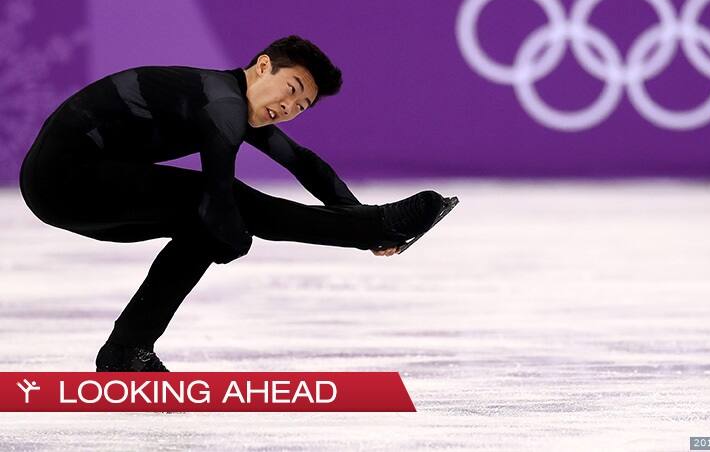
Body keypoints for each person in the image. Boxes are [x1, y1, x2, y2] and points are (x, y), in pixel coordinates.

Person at [18, 35, 449, 372]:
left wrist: (356, 215)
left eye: (301, 106)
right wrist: (368, 228)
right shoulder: (222, 100)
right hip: (66, 178)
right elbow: (220, 188)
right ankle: (372, 226)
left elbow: (303, 162)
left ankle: (127, 350)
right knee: (222, 209)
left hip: (68, 189)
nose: (289, 107)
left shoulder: (229, 99)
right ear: (262, 67)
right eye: (291, 88)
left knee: (203, 228)